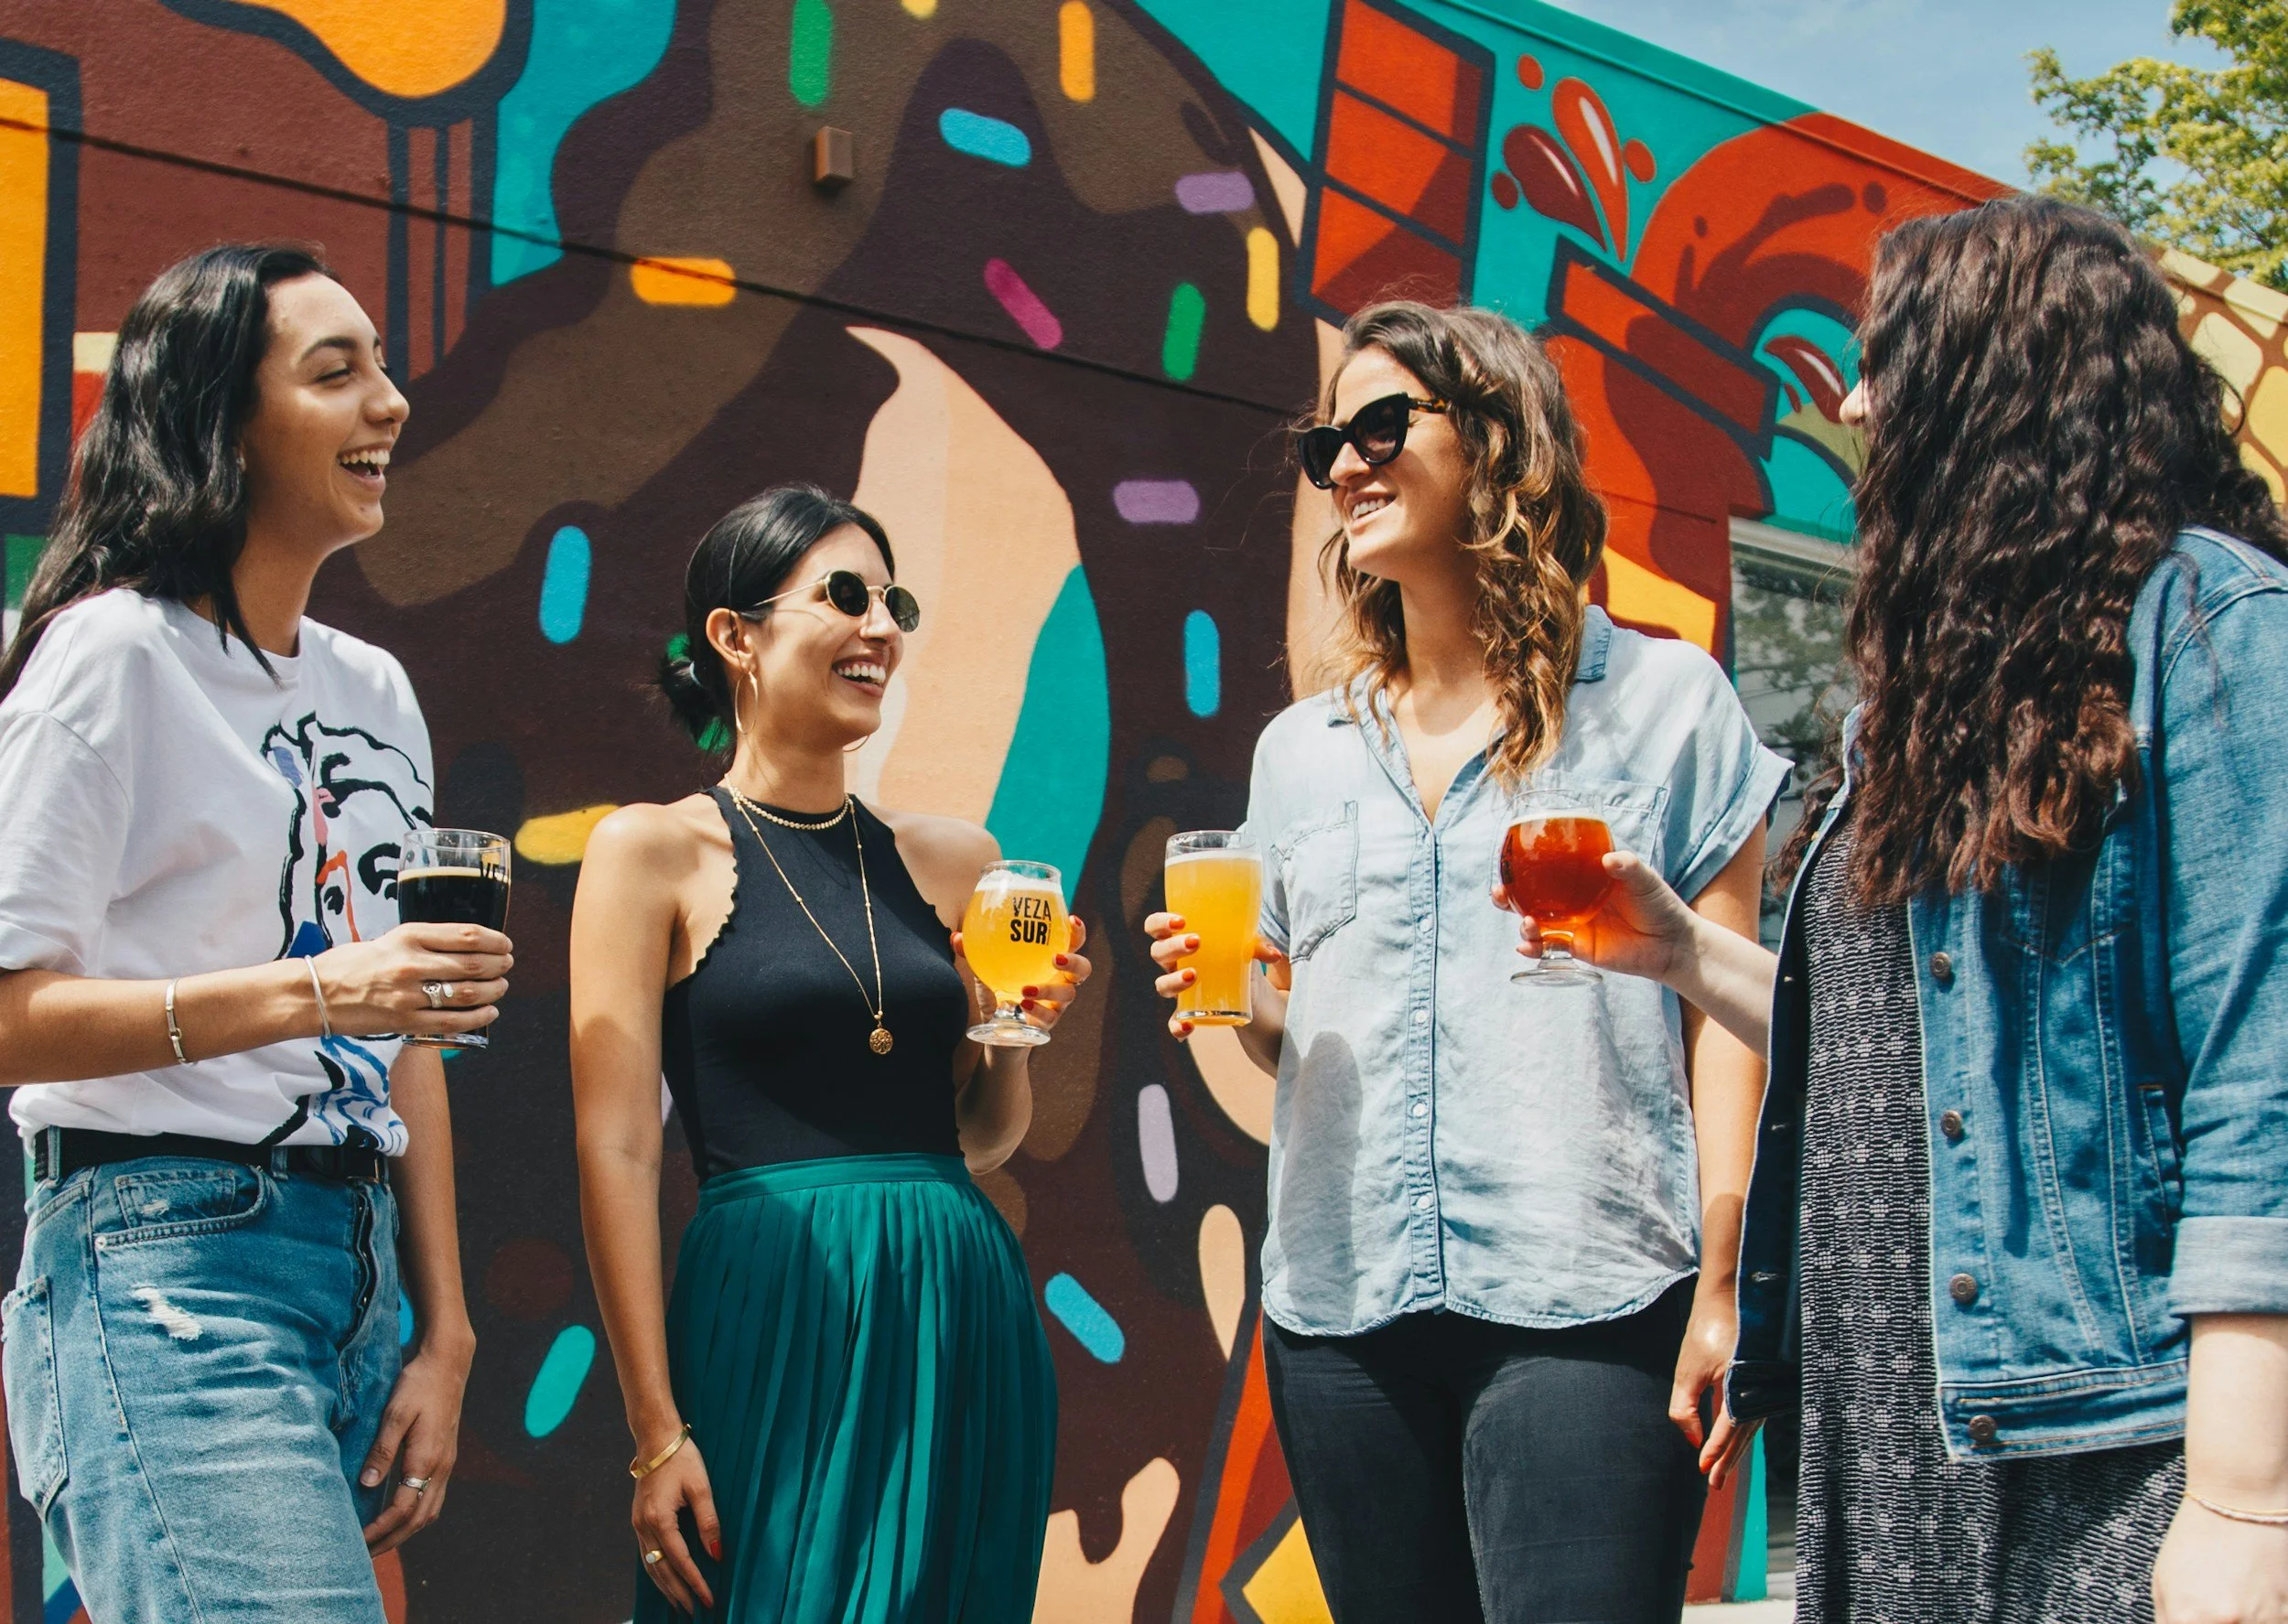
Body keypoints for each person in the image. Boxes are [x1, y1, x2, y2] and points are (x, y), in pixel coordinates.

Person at [1502, 196, 2288, 1623]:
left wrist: (2247, 1499)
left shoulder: (2218, 632)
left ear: (1994, 379)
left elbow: (2266, 1079)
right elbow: (1886, 1048)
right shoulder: (1924, 706)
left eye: (1885, 362)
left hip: (2107, 1441)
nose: (1855, 403)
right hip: (1893, 1421)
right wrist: (1679, 952)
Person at [1148, 301, 1787, 1621]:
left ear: (1502, 439)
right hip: (1339, 1307)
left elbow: (1731, 1013)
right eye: (1329, 440)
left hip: (1593, 1291)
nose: (1344, 465)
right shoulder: (1299, 751)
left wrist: (1725, 1278)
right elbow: (1286, 1027)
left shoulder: (1669, 703)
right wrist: (1241, 998)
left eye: (1383, 425)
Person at [0, 244, 504, 1622]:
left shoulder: (376, 688)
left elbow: (406, 1038)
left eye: (384, 365)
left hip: (352, 1276)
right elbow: (6, 1011)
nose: (390, 401)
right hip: (164, 1257)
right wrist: (314, 989)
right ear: (220, 421)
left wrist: (442, 1327)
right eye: (335, 372)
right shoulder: (114, 657)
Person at [570, 484, 1082, 1621]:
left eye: (894, 600)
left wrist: (1014, 1035)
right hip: (772, 1299)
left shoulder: (961, 859)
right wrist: (656, 1429)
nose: (882, 626)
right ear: (735, 636)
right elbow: (614, 1148)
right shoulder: (648, 850)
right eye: (844, 595)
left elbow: (983, 1139)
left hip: (957, 1304)